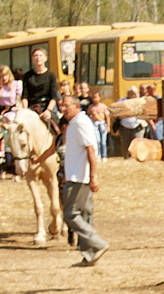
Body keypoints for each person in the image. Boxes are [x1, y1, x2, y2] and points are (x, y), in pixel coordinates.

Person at [55, 91, 108, 266]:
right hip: (74, 175)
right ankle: (90, 255)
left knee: (70, 215)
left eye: (66, 105)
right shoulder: (73, 124)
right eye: (61, 105)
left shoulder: (81, 123)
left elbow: (91, 151)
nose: (63, 109)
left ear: (77, 106)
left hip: (80, 178)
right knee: (85, 215)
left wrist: (93, 176)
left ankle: (97, 244)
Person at [0, 65, 20, 177]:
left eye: (6, 75)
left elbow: (19, 99)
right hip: (2, 112)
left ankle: (15, 168)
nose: (4, 78)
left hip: (13, 111)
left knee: (14, 140)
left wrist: (18, 108)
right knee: (2, 140)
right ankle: (3, 166)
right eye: (1, 76)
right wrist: (1, 87)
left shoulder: (16, 84)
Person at [20, 48, 56, 115]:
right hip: (31, 108)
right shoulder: (27, 76)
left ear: (45, 58)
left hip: (46, 107)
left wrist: (48, 111)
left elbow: (53, 97)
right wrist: (25, 111)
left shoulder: (51, 75)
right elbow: (24, 96)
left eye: (40, 55)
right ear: (32, 59)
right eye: (35, 55)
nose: (38, 58)